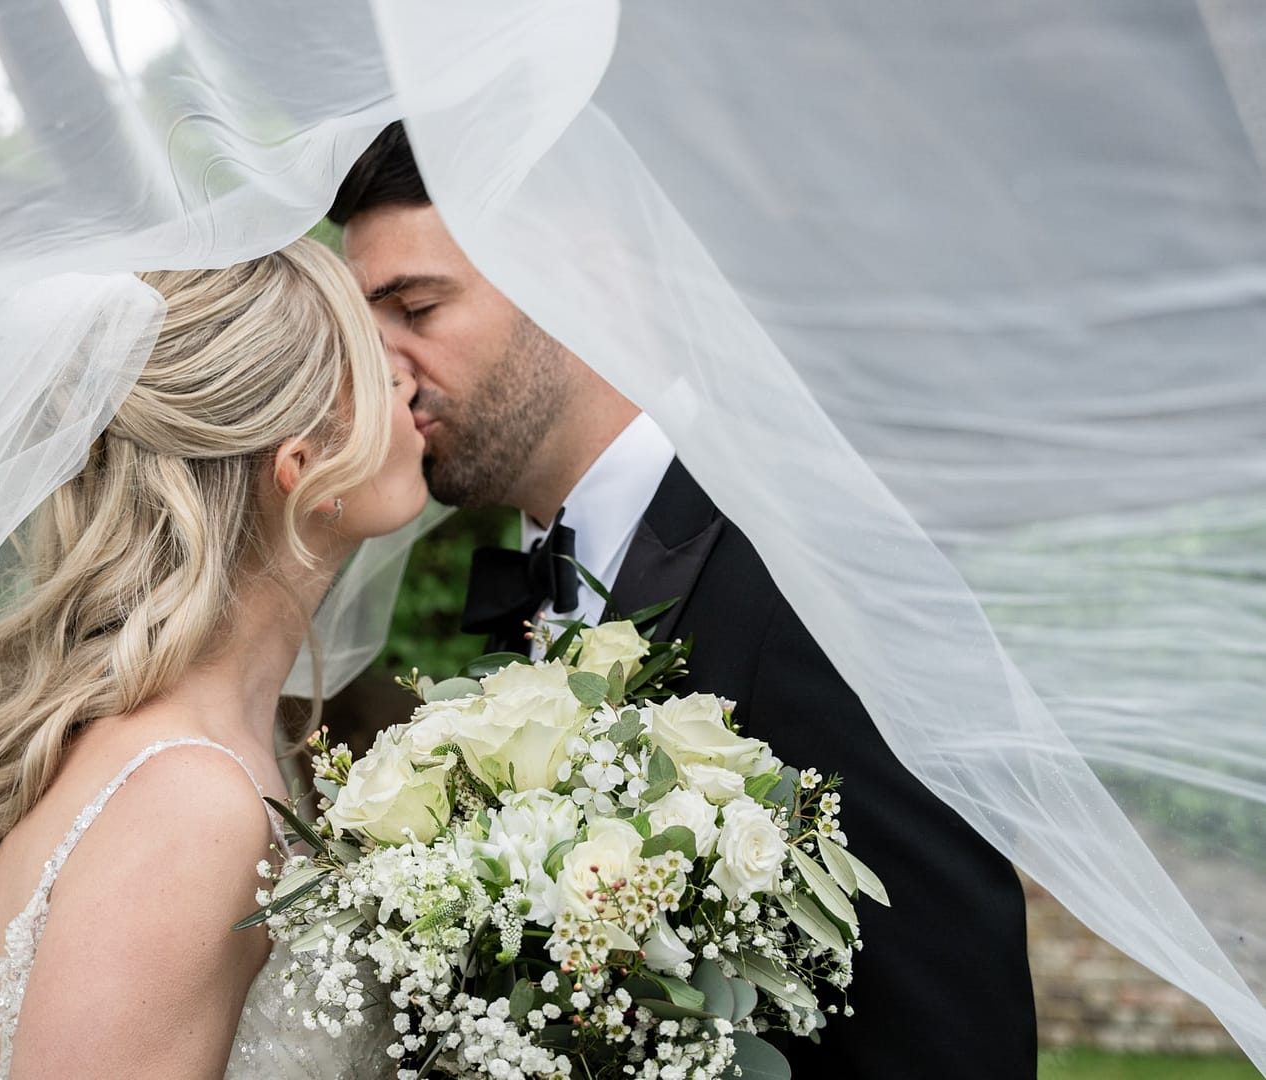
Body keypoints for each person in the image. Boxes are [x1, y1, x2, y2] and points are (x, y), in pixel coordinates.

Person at [327, 123, 1039, 1079]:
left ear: (584, 279)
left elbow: (950, 1025)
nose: (388, 372)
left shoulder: (805, 571)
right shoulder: (529, 579)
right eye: (366, 336)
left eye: (416, 307)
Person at [0, 239, 426, 1080]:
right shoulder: (188, 802)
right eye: (382, 374)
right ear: (302, 464)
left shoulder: (211, 755)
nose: (414, 383)